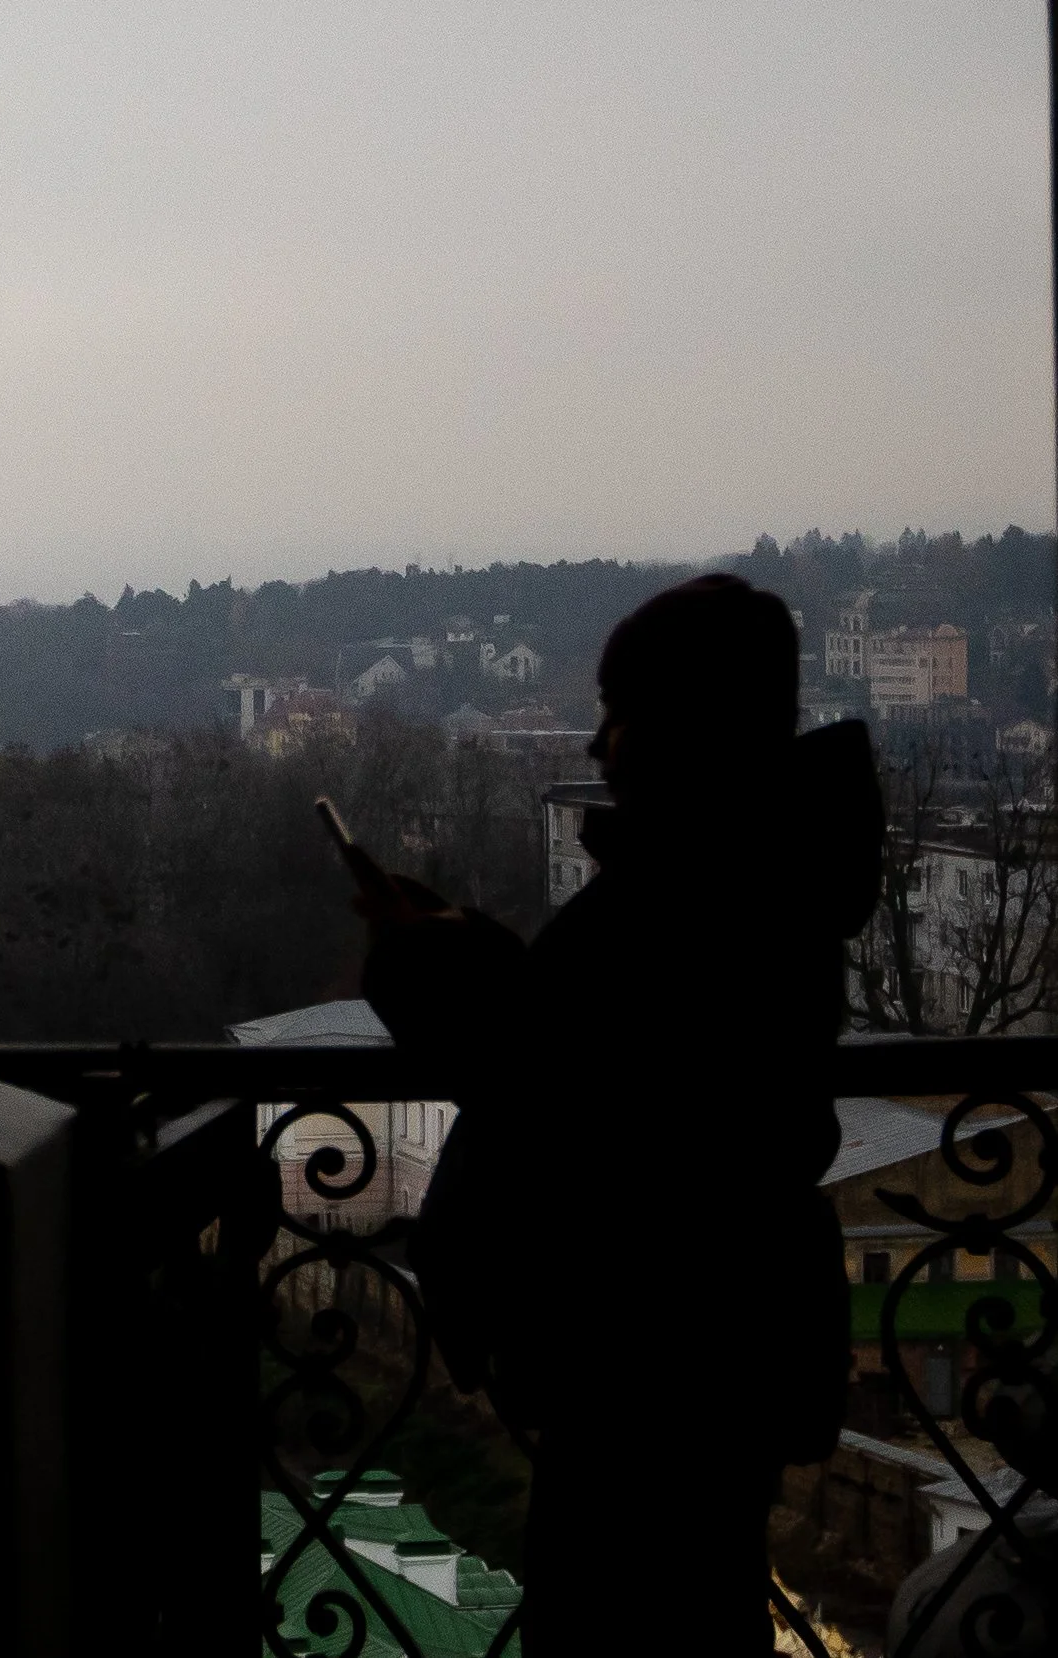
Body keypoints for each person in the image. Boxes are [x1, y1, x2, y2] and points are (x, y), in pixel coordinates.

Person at [359, 575, 882, 1655]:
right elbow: (605, 1058)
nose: (600, 742)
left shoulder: (701, 893)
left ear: (683, 724)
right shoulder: (746, 875)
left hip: (649, 1374)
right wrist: (477, 958)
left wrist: (433, 974)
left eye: (620, 711)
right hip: (685, 1364)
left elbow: (588, 1099)